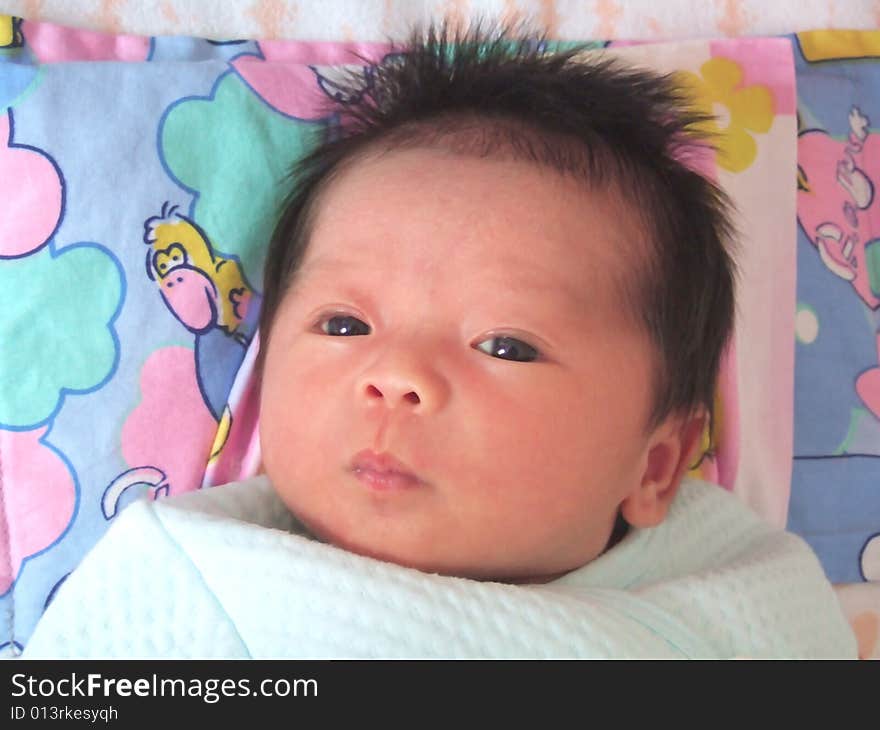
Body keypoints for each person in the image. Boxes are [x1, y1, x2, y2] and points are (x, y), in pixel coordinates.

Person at [23, 19, 857, 658]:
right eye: (345, 325)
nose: (395, 376)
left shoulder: (735, 607)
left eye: (505, 345)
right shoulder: (193, 579)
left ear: (656, 464)